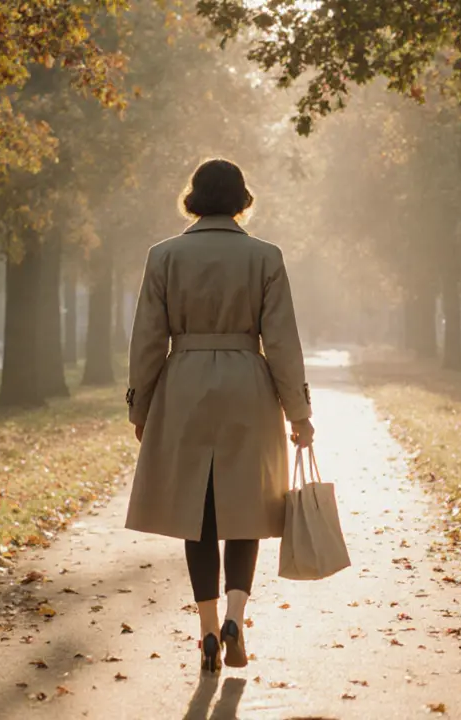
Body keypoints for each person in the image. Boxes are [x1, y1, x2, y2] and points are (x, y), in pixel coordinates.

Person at [124, 158, 314, 674]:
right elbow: (281, 340)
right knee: (245, 510)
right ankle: (235, 617)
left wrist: (140, 405)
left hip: (182, 386)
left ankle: (206, 630)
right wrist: (299, 412)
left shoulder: (162, 256)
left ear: (193, 197)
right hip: (247, 386)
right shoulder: (265, 257)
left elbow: (147, 339)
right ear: (241, 199)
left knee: (197, 515)